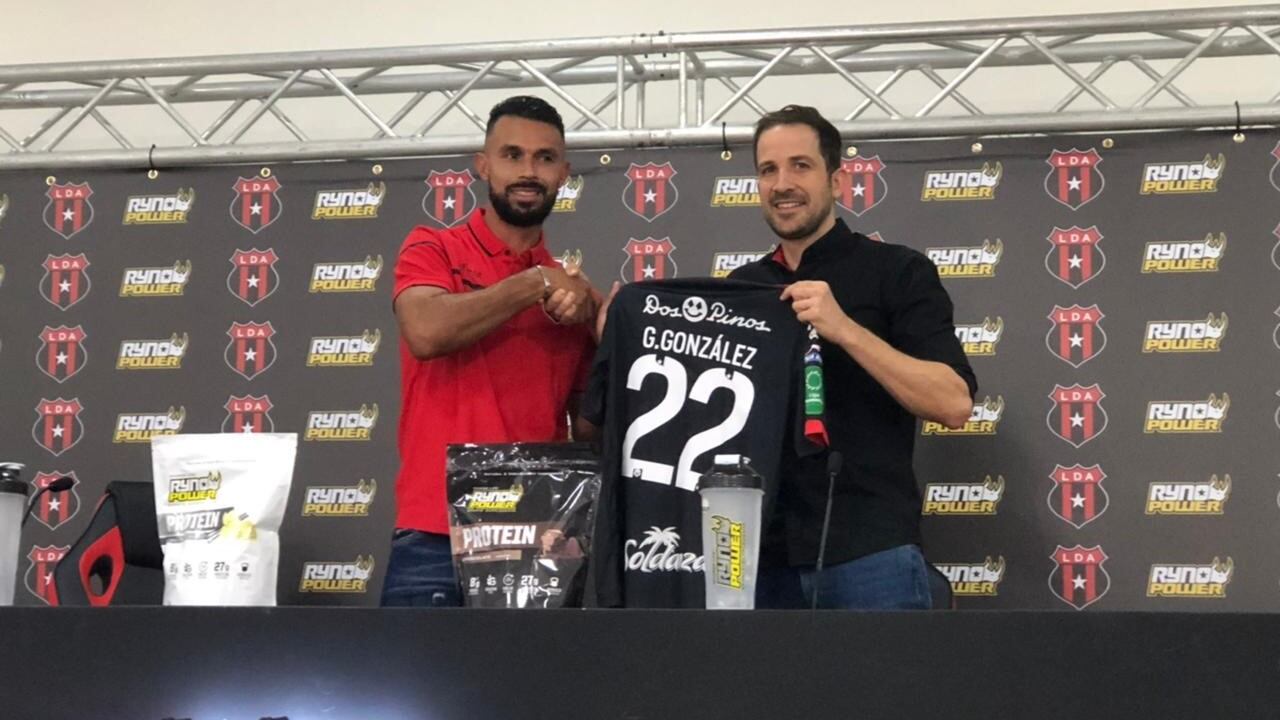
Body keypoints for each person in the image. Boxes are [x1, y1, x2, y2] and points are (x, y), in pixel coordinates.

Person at [728, 105, 977, 610]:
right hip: (758, 557)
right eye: (768, 170)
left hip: (872, 552)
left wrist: (845, 329)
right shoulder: (740, 289)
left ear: (837, 180)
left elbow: (953, 404)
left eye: (800, 166)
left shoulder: (898, 271)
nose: (782, 184)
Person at [383, 96, 605, 607]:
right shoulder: (432, 247)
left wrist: (603, 326)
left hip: (538, 538)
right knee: (411, 666)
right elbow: (426, 331)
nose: (528, 171)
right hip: (434, 534)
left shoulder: (571, 295)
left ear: (564, 173)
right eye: (512, 155)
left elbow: (589, 430)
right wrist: (533, 283)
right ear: (483, 166)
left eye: (545, 158)